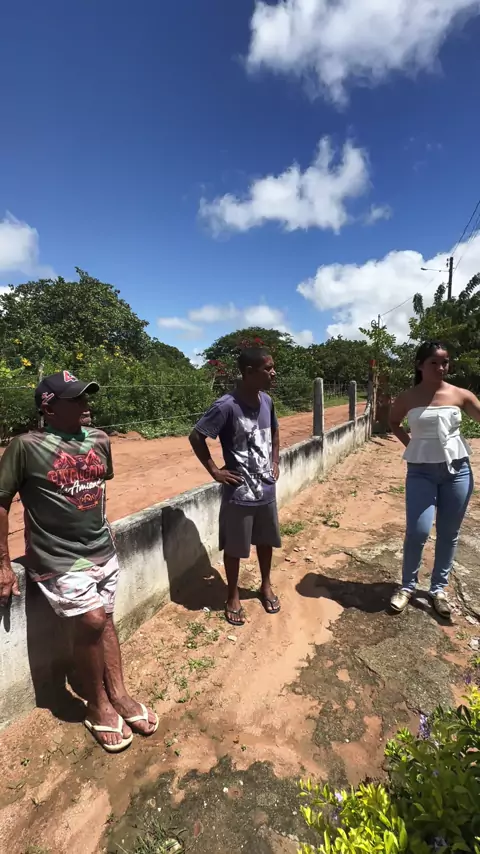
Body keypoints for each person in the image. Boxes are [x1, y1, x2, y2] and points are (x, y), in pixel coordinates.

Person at [0, 371, 158, 752]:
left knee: (106, 621)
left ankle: (118, 694)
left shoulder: (99, 440)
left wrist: (101, 527)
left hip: (102, 550)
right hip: (57, 556)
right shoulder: (25, 447)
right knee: (91, 620)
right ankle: (97, 704)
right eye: (76, 399)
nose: (87, 404)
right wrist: (3, 563)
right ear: (49, 407)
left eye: (86, 396)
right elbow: (1, 501)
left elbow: (97, 489)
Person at [189, 347, 281, 626]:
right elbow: (196, 436)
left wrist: (275, 461)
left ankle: (266, 585)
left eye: (273, 367)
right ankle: (232, 595)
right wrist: (215, 471)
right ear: (249, 372)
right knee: (234, 547)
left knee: (266, 541)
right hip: (239, 493)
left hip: (266, 490)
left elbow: (275, 430)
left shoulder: (267, 400)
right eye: (268, 368)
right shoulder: (226, 406)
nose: (273, 373)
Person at [389, 341, 480, 618]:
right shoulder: (408, 397)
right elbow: (393, 422)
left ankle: (438, 589)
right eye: (434, 363)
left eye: (445, 362)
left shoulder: (460, 394)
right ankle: (407, 586)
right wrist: (412, 446)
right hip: (421, 472)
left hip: (458, 470)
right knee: (418, 531)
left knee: (449, 534)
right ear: (420, 365)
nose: (441, 368)